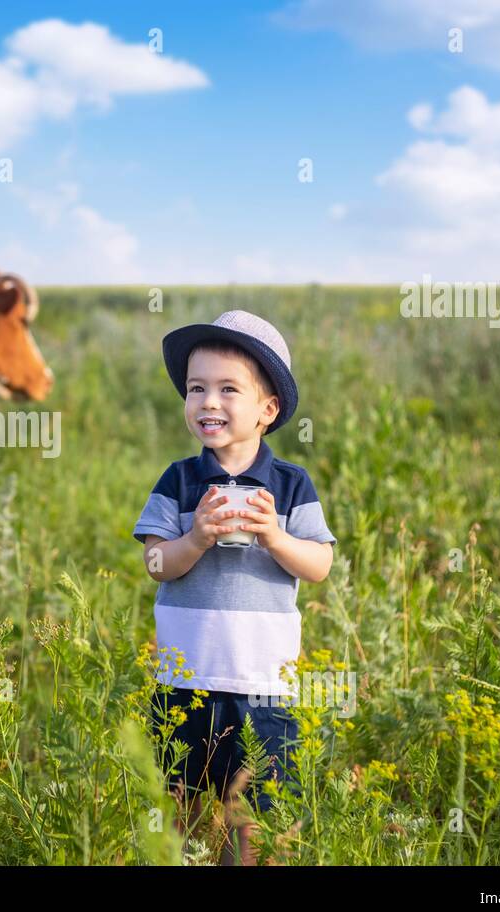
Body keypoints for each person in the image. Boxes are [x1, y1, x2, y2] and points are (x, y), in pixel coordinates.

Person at [131, 309, 337, 865]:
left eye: (228, 389)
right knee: (179, 803)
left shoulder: (291, 485)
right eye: (197, 388)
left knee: (261, 812)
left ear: (268, 410)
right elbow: (155, 561)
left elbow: (318, 564)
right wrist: (195, 537)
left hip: (262, 682)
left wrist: (274, 536)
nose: (208, 403)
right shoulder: (178, 480)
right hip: (185, 678)